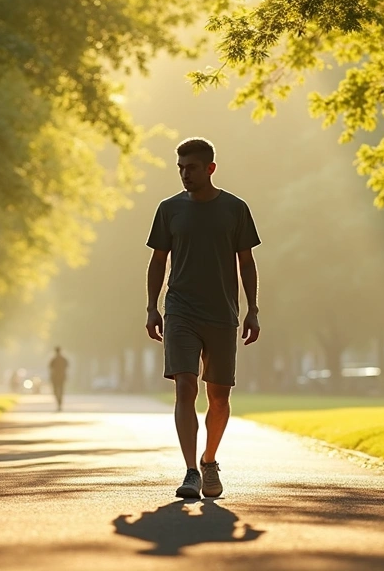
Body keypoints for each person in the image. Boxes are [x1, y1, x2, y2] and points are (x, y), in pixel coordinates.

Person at [145, 137, 261, 500]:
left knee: (219, 396)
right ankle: (191, 471)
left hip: (223, 313)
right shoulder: (169, 210)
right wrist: (152, 307)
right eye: (180, 168)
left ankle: (209, 460)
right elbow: (158, 261)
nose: (184, 174)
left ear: (210, 168)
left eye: (191, 167)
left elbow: (246, 262)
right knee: (185, 386)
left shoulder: (235, 209)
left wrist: (252, 309)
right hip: (180, 308)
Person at [49, 347, 69, 411]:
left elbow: (50, 368)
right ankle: (59, 403)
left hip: (55, 378)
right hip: (61, 377)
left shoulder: (53, 360)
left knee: (56, 391)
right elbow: (67, 367)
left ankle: (59, 403)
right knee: (61, 391)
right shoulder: (64, 359)